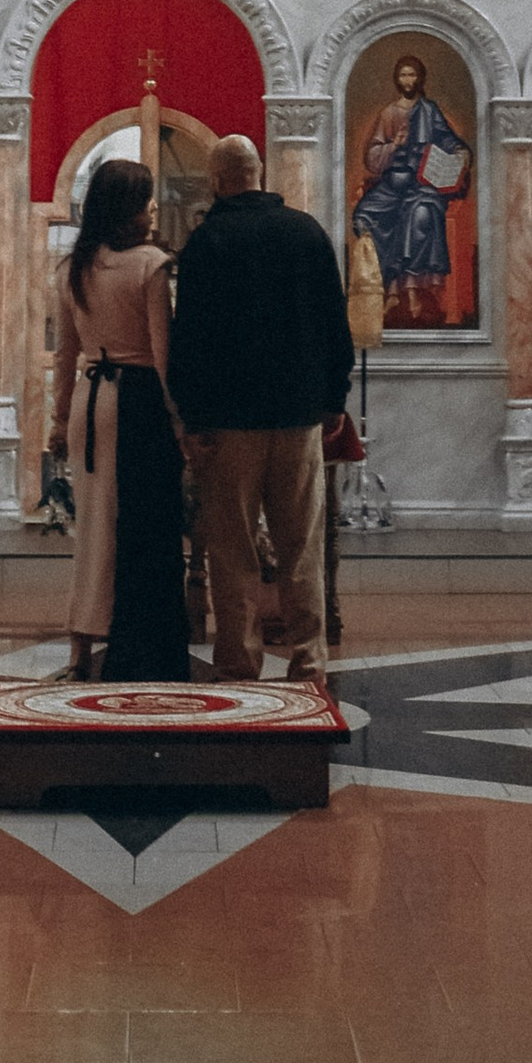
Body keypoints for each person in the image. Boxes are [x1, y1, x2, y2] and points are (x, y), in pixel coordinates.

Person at [168, 135, 354, 682]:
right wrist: (333, 400)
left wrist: (193, 419)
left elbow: (191, 340)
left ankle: (238, 663)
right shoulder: (306, 233)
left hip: (229, 425)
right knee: (302, 546)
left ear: (218, 181)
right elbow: (333, 324)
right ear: (259, 173)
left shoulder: (207, 243)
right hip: (298, 418)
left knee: (232, 550)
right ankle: (309, 661)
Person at [47, 157, 188, 683]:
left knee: (94, 530)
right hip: (141, 403)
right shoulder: (151, 265)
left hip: (90, 401)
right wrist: (180, 422)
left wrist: (60, 420)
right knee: (144, 529)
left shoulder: (73, 269)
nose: (152, 207)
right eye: (146, 198)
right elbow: (162, 353)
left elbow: (65, 355)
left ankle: (81, 647)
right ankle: (144, 643)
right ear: (127, 207)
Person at [350, 54, 470, 326]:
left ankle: (410, 292)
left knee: (418, 215)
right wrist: (394, 145)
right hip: (393, 184)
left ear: (420, 78)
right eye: (403, 75)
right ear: (397, 79)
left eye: (412, 75)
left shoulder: (429, 110)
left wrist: (461, 152)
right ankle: (388, 289)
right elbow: (372, 158)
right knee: (364, 217)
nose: (408, 80)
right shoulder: (389, 114)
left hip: (424, 185)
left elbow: (450, 142)